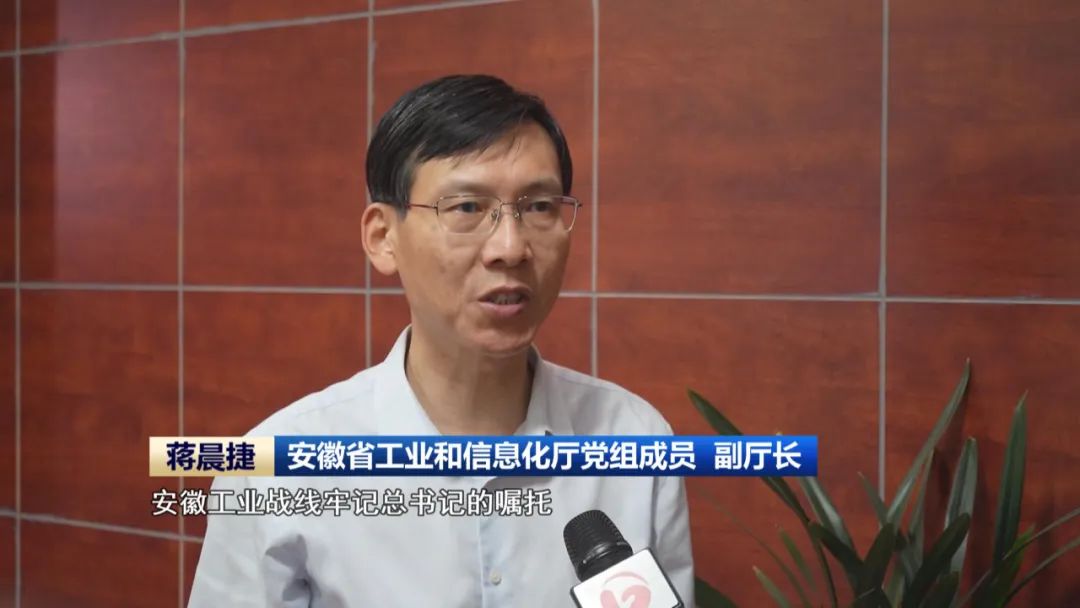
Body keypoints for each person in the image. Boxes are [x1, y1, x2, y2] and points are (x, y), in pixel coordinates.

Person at [188, 74, 694, 607]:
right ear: (383, 238)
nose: (510, 248)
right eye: (467, 208)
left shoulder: (635, 440)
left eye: (539, 207)